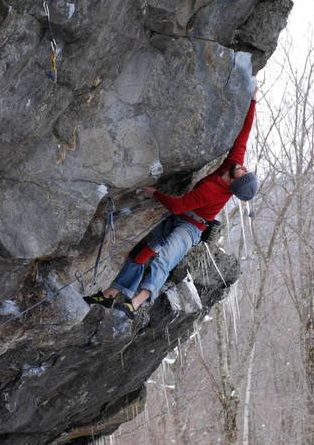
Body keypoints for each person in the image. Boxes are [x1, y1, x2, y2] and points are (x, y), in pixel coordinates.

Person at [84, 87, 258, 319]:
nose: (243, 167)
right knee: (140, 253)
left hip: (190, 228)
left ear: (236, 182)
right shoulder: (232, 165)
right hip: (179, 219)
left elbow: (177, 206)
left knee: (164, 259)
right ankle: (109, 295)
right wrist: (253, 101)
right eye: (245, 168)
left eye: (244, 172)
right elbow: (243, 136)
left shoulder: (212, 193)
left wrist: (156, 193)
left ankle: (135, 303)